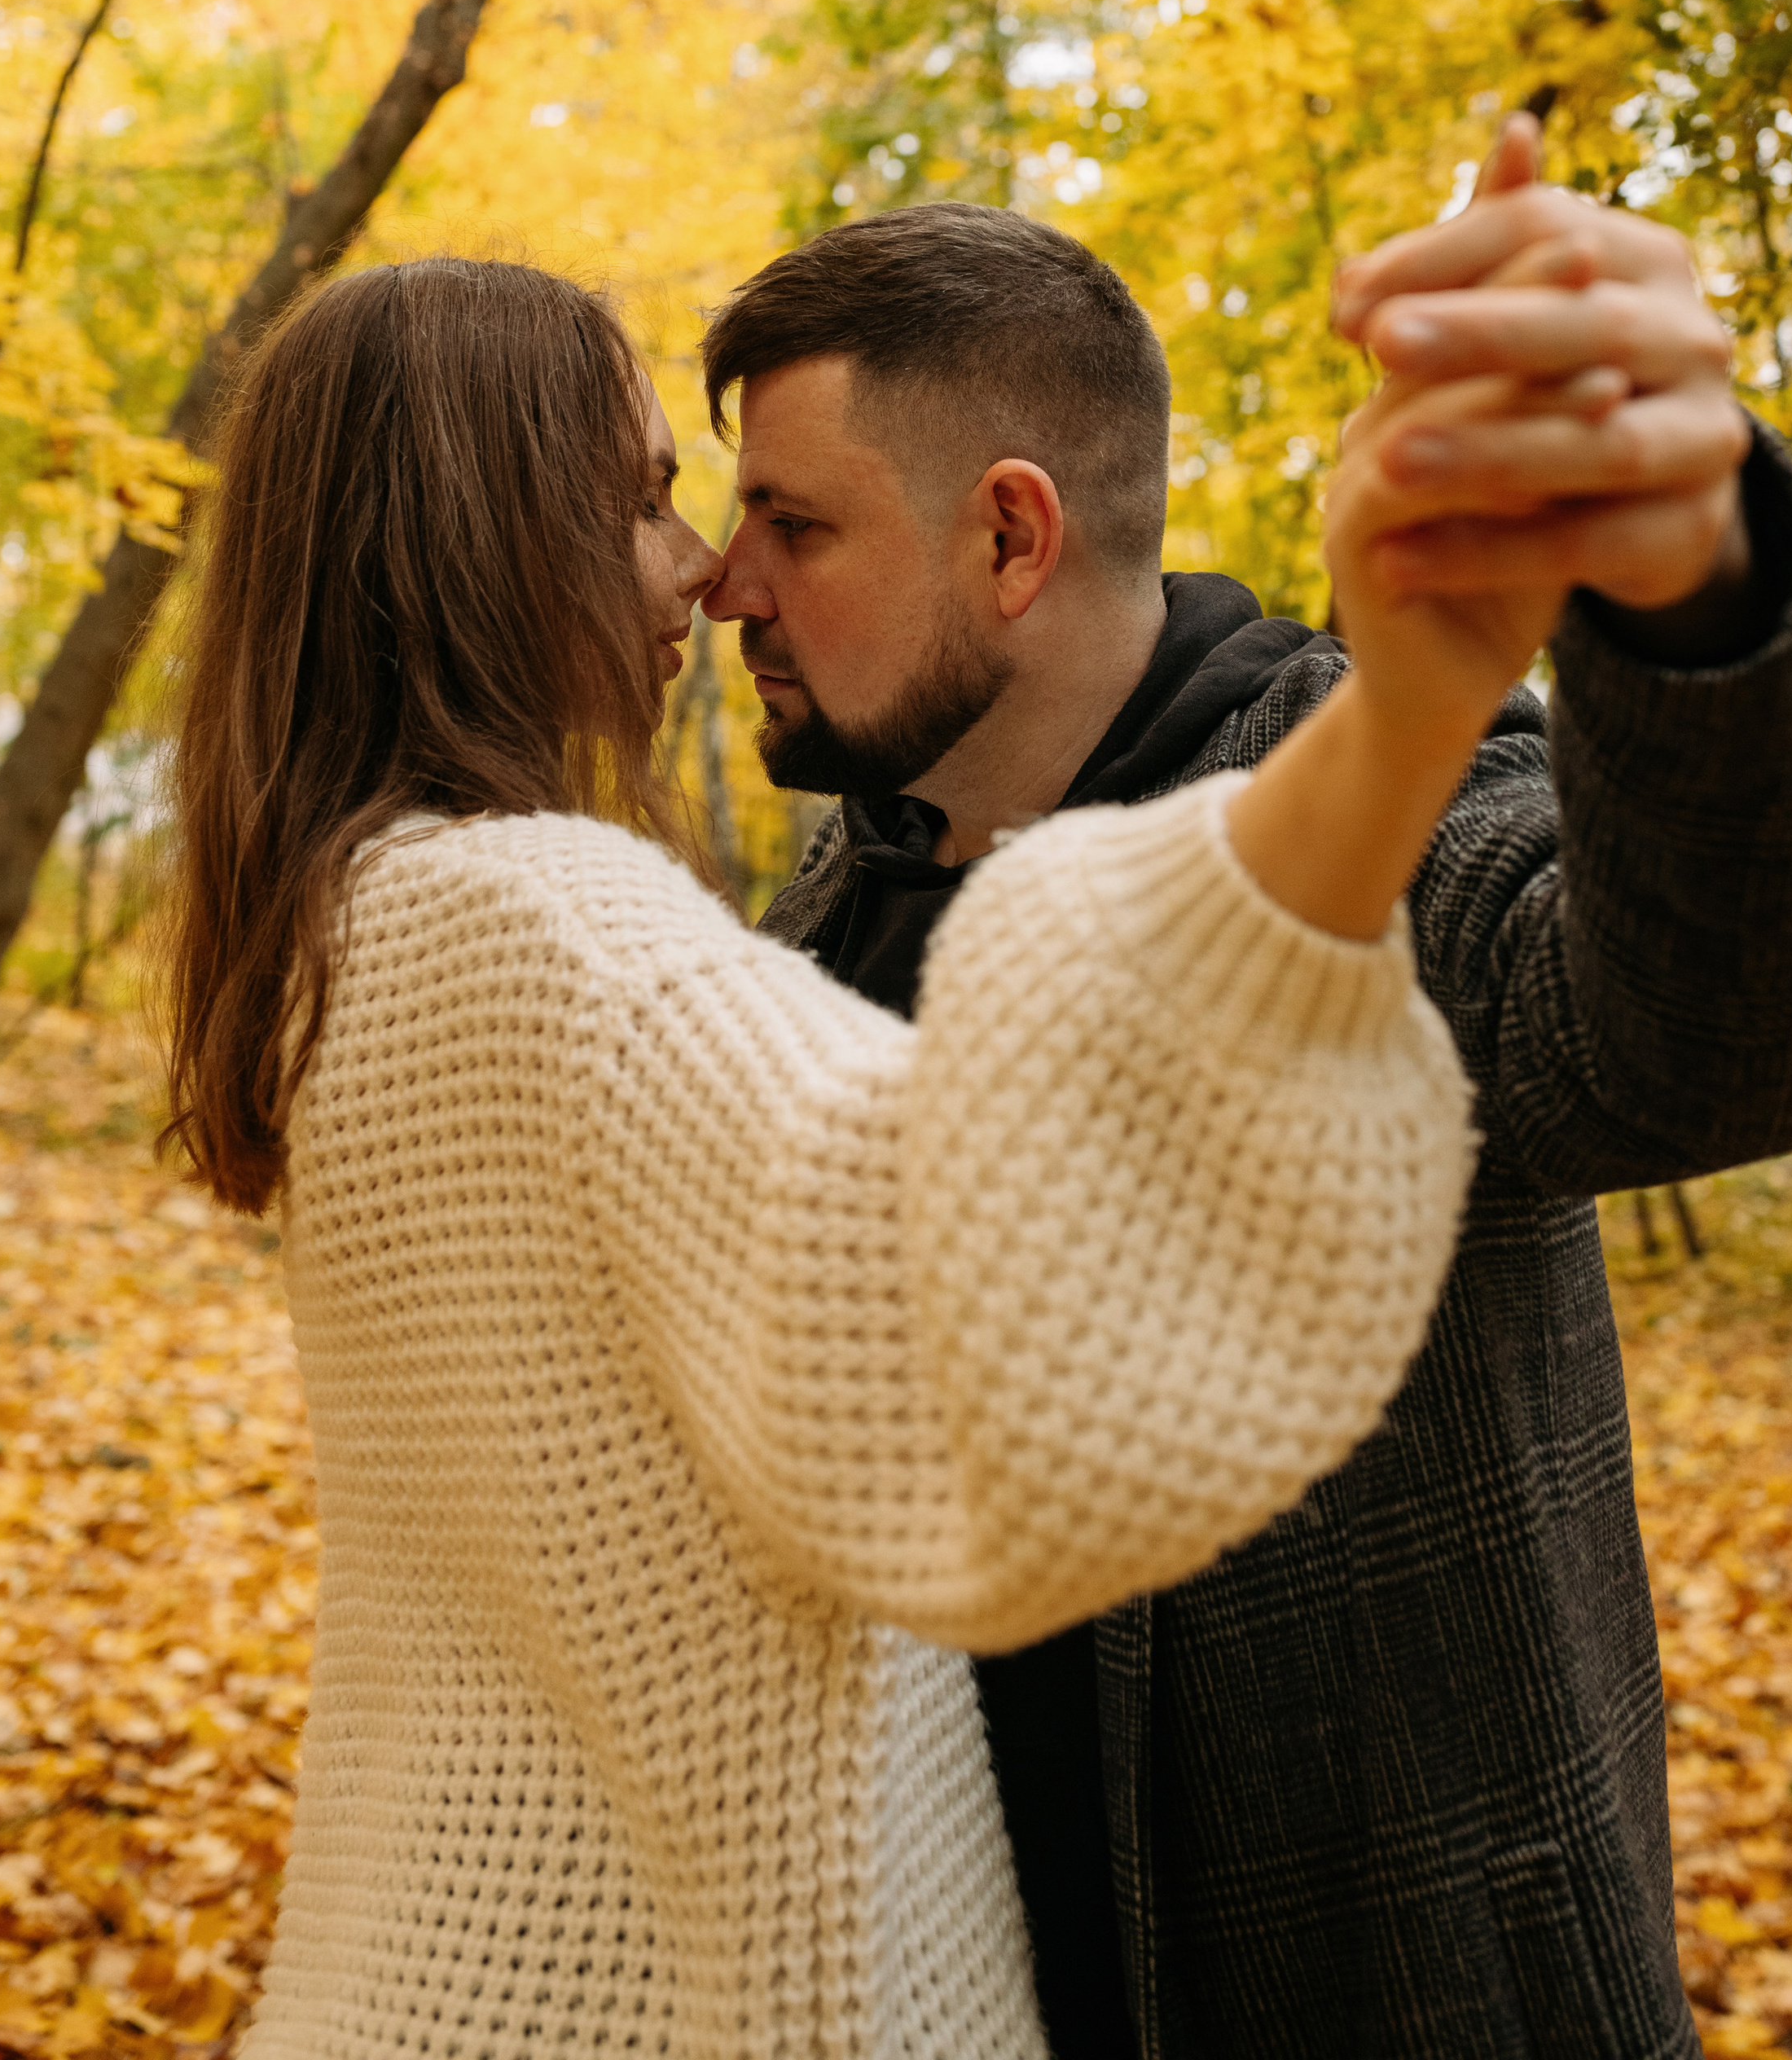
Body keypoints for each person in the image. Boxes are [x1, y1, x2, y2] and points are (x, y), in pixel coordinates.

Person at [160, 253, 1549, 2060]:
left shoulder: (351, 928)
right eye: (641, 497)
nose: (701, 567)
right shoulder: (553, 934)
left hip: (428, 1976)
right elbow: (975, 1315)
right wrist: (1408, 708)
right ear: (474, 537)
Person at [699, 133, 1792, 2060]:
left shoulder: (1367, 795)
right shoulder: (835, 895)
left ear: (1009, 539)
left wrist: (1684, 564)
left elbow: (1731, 1031)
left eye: (791, 522)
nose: (725, 582)